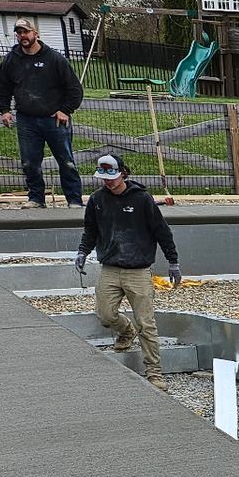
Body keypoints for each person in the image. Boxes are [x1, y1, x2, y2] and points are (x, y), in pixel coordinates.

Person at [75, 154, 181, 389]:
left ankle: (154, 371)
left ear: (123, 173)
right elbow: (90, 231)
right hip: (110, 268)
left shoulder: (142, 199)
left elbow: (162, 232)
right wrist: (83, 251)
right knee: (105, 315)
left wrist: (173, 261)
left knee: (147, 323)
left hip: (138, 270)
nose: (108, 182)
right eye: (103, 178)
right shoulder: (96, 200)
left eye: (111, 177)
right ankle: (126, 330)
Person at [0, 17, 84, 208]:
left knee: (66, 161)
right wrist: (4, 110)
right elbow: (2, 87)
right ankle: (36, 197)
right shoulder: (11, 60)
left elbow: (75, 89)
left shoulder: (54, 59)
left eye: (26, 32)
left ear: (35, 34)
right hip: (27, 119)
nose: (22, 36)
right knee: (29, 162)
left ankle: (74, 199)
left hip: (54, 119)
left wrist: (65, 110)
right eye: (19, 33)